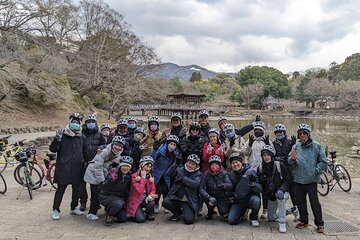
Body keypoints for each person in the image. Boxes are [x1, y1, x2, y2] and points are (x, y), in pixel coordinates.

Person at [288, 124, 327, 233]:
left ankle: (319, 223)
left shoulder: (317, 146)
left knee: (315, 203)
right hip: (298, 180)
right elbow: (289, 161)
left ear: (308, 134)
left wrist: (316, 171)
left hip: (311, 180)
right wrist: (292, 158)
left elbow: (323, 161)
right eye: (300, 134)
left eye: (304, 133)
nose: (302, 135)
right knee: (300, 202)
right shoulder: (295, 147)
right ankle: (304, 221)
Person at [50, 113, 87, 220]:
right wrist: (56, 139)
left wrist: (85, 162)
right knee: (60, 190)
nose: (75, 124)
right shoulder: (62, 136)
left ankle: (74, 207)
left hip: (77, 167)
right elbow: (53, 149)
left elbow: (84, 152)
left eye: (77, 122)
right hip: (63, 168)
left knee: (76, 189)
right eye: (73, 122)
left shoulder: (82, 137)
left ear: (80, 124)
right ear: (69, 122)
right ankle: (56, 210)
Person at [83, 136, 125, 221]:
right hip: (93, 175)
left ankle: (97, 209)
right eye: (116, 145)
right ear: (112, 144)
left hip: (102, 175)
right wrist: (101, 181)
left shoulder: (118, 156)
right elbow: (97, 167)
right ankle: (91, 213)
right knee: (96, 194)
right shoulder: (104, 152)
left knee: (99, 194)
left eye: (120, 146)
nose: (118, 147)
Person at [242, 121, 272, 219]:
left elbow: (273, 153)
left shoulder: (266, 140)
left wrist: (268, 144)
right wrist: (250, 144)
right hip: (252, 169)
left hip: (264, 169)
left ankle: (265, 210)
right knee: (251, 189)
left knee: (265, 190)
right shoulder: (251, 140)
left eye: (260, 130)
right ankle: (248, 209)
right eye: (256, 130)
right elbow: (245, 153)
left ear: (263, 131)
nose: (258, 131)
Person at [257, 145, 290, 233]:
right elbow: (260, 184)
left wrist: (282, 189)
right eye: (264, 155)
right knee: (271, 218)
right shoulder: (260, 168)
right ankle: (289, 210)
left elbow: (287, 180)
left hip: (281, 192)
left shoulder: (279, 165)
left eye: (268, 155)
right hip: (271, 195)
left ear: (272, 156)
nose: (266, 157)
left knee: (281, 199)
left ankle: (282, 222)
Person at [162, 154, 202, 224]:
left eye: (193, 164)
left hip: (188, 200)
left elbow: (195, 184)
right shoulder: (180, 169)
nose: (190, 165)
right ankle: (177, 212)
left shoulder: (198, 174)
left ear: (196, 166)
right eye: (189, 163)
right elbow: (168, 174)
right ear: (186, 162)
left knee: (189, 220)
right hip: (177, 197)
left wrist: (184, 178)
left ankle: (187, 211)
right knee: (166, 202)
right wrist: (175, 164)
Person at [80, 114, 106, 212]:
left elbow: (104, 145)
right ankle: (83, 201)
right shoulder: (81, 134)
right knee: (81, 184)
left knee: (94, 184)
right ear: (85, 123)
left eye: (93, 122)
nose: (91, 124)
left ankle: (94, 202)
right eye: (89, 122)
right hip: (83, 161)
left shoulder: (99, 134)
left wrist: (101, 148)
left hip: (95, 162)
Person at [272, 123, 298, 220]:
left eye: (281, 132)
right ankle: (282, 211)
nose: (279, 134)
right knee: (281, 191)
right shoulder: (273, 144)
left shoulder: (290, 142)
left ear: (284, 132)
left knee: (294, 192)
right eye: (277, 132)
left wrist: (294, 145)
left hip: (290, 170)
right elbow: (272, 156)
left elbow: (294, 156)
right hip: (280, 172)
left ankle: (296, 211)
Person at [227, 152, 262, 226]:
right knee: (231, 220)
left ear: (241, 162)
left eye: (236, 162)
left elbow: (260, 189)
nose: (235, 164)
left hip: (250, 198)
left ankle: (253, 216)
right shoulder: (230, 175)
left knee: (256, 201)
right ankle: (242, 212)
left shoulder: (250, 172)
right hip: (239, 201)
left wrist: (254, 185)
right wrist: (231, 195)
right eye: (233, 163)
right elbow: (230, 189)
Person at [151, 135, 182, 214]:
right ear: (167, 143)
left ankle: (165, 205)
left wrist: (177, 163)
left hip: (167, 174)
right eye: (171, 144)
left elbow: (176, 164)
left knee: (166, 189)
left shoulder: (176, 153)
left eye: (174, 145)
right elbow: (152, 158)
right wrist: (154, 150)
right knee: (157, 189)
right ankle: (156, 203)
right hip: (157, 172)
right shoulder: (160, 149)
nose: (172, 146)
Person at [98, 156, 133, 226]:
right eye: (124, 166)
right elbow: (102, 186)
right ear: (120, 166)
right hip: (107, 196)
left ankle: (111, 209)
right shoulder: (114, 172)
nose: (125, 168)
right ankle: (109, 215)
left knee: (123, 219)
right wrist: (111, 180)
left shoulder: (129, 175)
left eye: (127, 166)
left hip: (120, 198)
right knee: (118, 204)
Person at [199, 155, 233, 220]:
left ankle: (222, 208)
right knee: (208, 201)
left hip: (220, 196)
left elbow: (230, 185)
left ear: (219, 165)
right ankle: (210, 211)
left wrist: (223, 185)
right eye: (212, 164)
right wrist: (208, 196)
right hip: (210, 195)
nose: (214, 166)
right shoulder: (207, 174)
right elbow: (201, 188)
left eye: (216, 164)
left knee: (224, 213)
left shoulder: (223, 173)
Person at [126, 156, 156, 223]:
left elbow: (153, 189)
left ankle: (149, 213)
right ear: (141, 166)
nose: (148, 168)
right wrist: (143, 178)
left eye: (150, 167)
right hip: (135, 201)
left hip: (144, 200)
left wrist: (150, 195)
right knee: (141, 219)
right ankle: (135, 213)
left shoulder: (150, 176)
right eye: (146, 166)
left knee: (152, 202)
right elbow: (139, 190)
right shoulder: (134, 176)